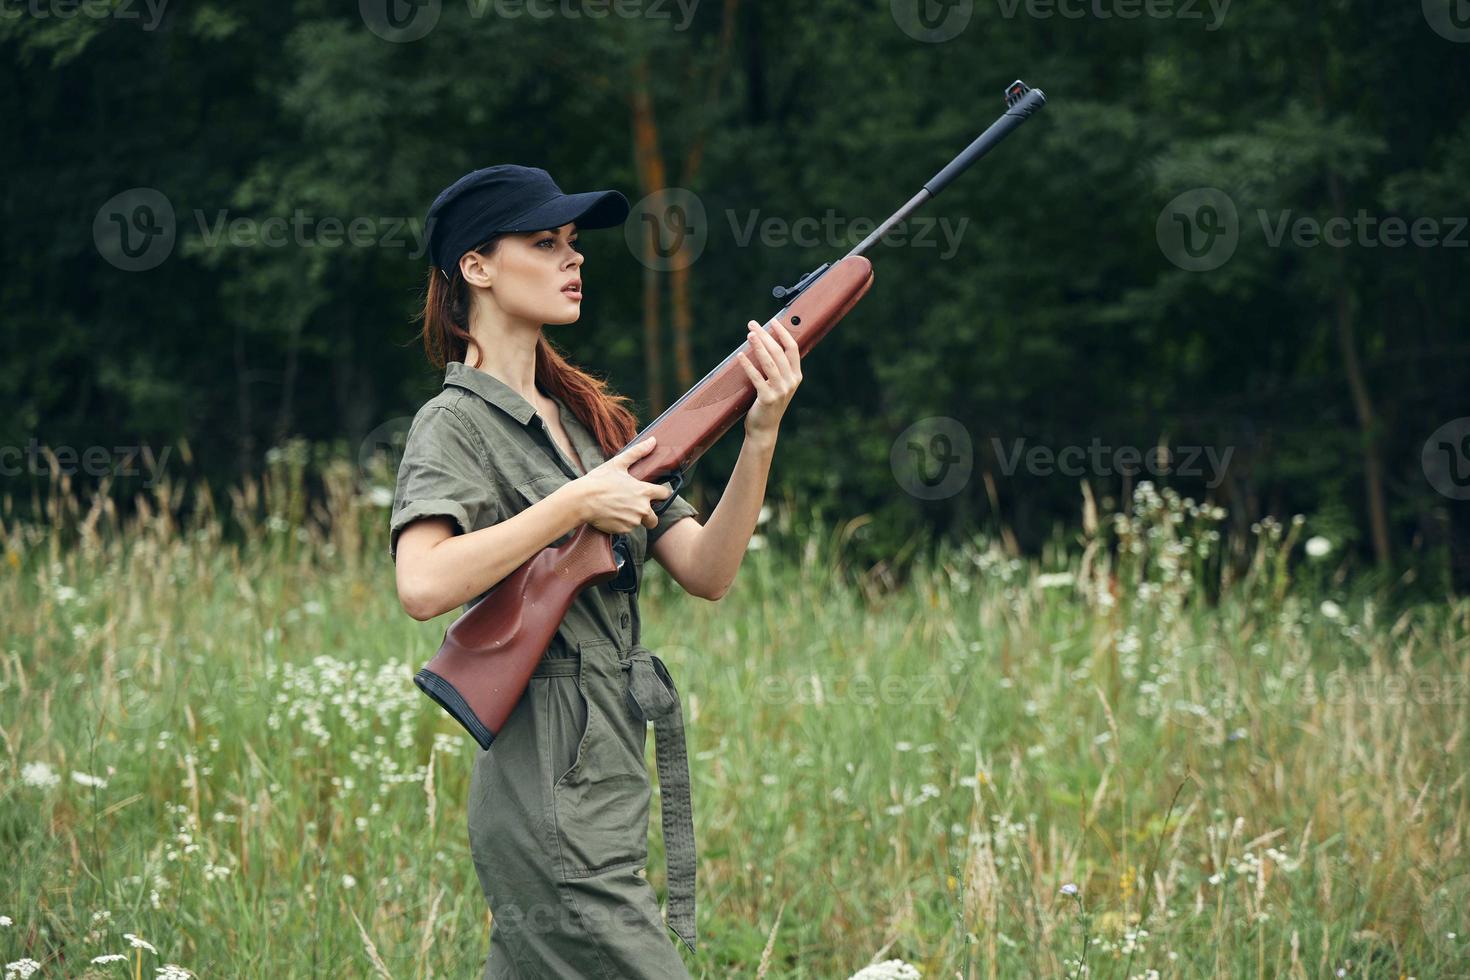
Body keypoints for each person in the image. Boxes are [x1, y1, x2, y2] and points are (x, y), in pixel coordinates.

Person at [389, 164, 803, 978]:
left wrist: (760, 433)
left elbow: (708, 571)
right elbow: (424, 584)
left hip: (603, 780)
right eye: (545, 244)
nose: (573, 259)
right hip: (546, 789)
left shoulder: (589, 420)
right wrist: (575, 504)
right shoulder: (453, 423)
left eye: (574, 244)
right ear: (475, 267)